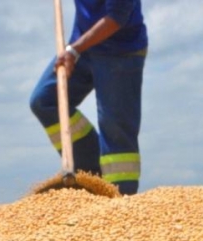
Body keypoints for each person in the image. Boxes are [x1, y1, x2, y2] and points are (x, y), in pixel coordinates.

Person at [30, 0, 147, 195]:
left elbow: (117, 17)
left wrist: (75, 49)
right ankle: (90, 172)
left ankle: (121, 198)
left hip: (120, 52)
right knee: (45, 101)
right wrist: (76, 49)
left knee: (115, 129)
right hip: (84, 48)